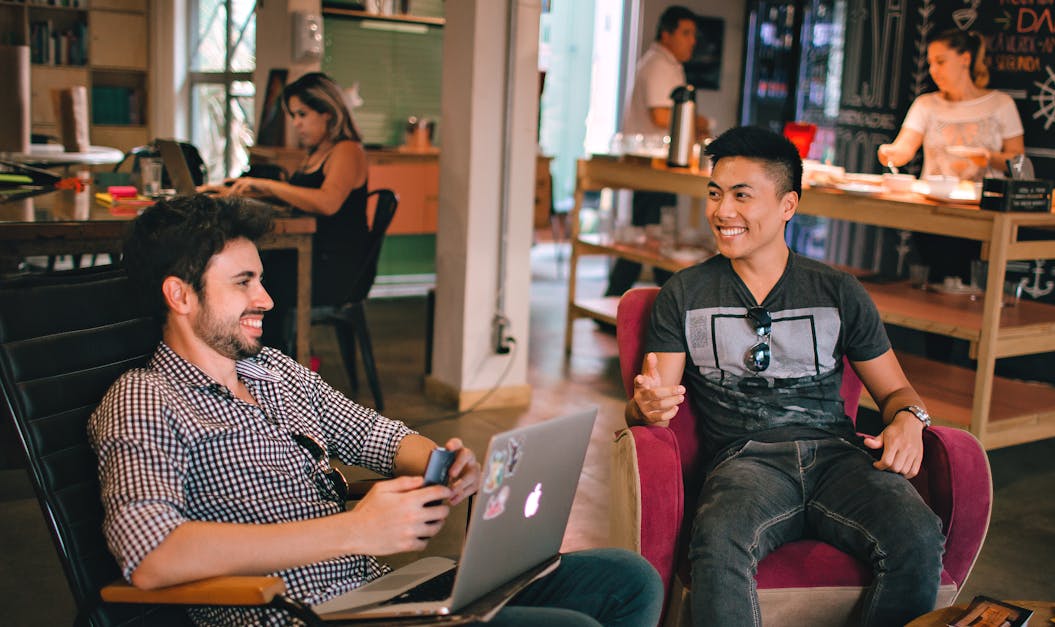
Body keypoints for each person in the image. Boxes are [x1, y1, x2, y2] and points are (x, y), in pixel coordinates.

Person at [91, 194, 663, 626]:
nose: (265, 299)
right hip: (303, 614)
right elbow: (152, 556)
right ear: (180, 295)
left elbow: (374, 435)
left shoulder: (272, 371)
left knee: (628, 580)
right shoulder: (146, 398)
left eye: (261, 280)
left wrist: (441, 462)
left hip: (379, 595)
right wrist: (353, 530)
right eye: (243, 283)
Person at [626, 126, 944, 627]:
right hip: (745, 461)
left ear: (788, 205)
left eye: (741, 195)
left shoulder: (838, 291)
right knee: (718, 539)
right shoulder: (684, 293)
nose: (721, 211)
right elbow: (651, 400)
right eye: (715, 194)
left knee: (918, 533)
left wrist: (910, 418)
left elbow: (897, 391)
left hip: (841, 458)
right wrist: (643, 408)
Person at [201, 72, 371, 351]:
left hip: (335, 268)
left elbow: (327, 202)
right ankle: (247, 357)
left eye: (302, 114)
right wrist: (241, 190)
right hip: (313, 254)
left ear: (327, 112)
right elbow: (301, 199)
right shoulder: (316, 152)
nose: (296, 123)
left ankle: (266, 362)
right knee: (248, 272)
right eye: (293, 115)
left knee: (255, 281)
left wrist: (266, 185)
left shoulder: (347, 151)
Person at [878, 29, 1025, 283]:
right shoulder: (926, 104)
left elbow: (1018, 161)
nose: (933, 70)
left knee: (973, 287)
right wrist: (889, 153)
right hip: (933, 211)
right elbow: (904, 150)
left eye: (941, 61)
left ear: (965, 59)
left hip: (982, 212)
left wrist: (988, 157)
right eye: (931, 63)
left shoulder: (1001, 104)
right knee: (931, 283)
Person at [605, 5, 707, 299]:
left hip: (660, 166)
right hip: (653, 167)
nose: (692, 41)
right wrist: (700, 121)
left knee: (653, 238)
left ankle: (644, 303)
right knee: (651, 240)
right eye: (686, 33)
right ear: (667, 34)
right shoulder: (659, 65)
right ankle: (623, 303)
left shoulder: (668, 64)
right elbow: (663, 116)